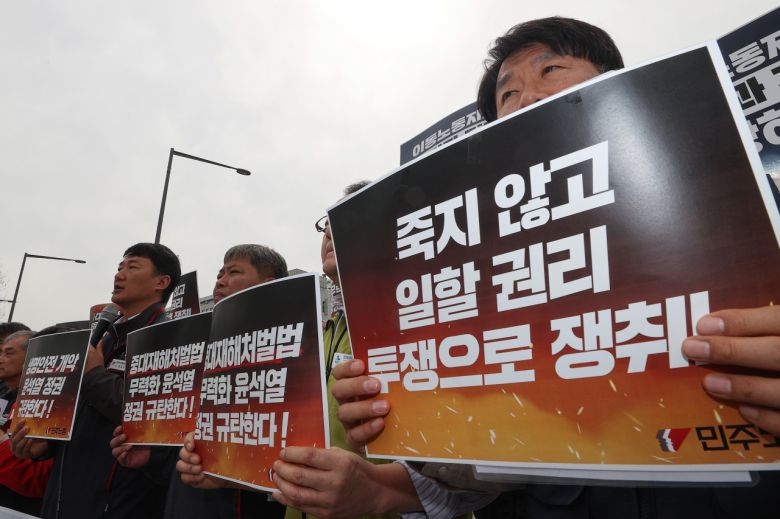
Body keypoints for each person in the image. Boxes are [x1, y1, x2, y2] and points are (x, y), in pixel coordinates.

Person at [328, 16, 780, 519]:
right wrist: (403, 423)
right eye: (508, 94)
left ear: (616, 79)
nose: (527, 99)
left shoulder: (742, 197)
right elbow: (489, 466)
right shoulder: (471, 273)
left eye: (551, 70)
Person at [176, 184, 413, 519]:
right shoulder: (322, 333)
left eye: (347, 216)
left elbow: (468, 475)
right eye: (326, 222)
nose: (329, 230)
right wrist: (229, 471)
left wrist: (380, 489)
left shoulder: (417, 320)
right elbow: (297, 453)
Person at [111, 244, 288, 519]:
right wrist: (152, 458)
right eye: (219, 274)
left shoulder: (288, 353)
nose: (221, 281)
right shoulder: (198, 353)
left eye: (234, 272)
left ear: (268, 284)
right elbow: (187, 455)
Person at [12, 243, 181, 519]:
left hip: (119, 504)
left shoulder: (169, 338)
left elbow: (147, 413)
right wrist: (46, 443)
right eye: (119, 267)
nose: (119, 274)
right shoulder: (106, 336)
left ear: (161, 282)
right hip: (64, 498)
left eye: (132, 267)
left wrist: (93, 374)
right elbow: (84, 413)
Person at [0, 326, 75, 516]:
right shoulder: (10, 397)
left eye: (9, 353)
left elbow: (38, 478)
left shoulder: (58, 405)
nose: (1, 359)